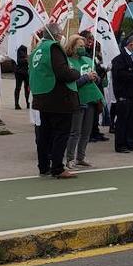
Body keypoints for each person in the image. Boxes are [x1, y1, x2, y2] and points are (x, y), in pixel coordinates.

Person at [29, 22, 82, 178]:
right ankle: (58, 168)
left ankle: (44, 166)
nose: (61, 36)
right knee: (60, 133)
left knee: (45, 134)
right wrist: (76, 73)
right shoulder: (53, 47)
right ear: (56, 35)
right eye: (60, 33)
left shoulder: (37, 49)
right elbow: (63, 73)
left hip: (42, 96)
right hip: (58, 98)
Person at [64, 33, 102, 169]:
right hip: (77, 100)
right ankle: (69, 159)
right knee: (75, 132)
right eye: (80, 46)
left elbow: (98, 81)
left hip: (90, 100)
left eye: (84, 46)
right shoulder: (68, 62)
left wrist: (96, 78)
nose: (83, 48)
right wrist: (86, 77)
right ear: (72, 47)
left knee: (86, 132)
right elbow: (72, 83)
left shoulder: (88, 60)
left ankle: (81, 157)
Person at [110, 34, 133, 153]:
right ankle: (120, 144)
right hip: (124, 93)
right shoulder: (119, 58)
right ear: (132, 45)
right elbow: (120, 74)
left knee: (132, 119)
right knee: (122, 120)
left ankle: (130, 142)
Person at [13, 44, 30, 109]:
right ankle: (17, 103)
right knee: (19, 88)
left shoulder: (27, 47)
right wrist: (26, 59)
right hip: (19, 71)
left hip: (24, 70)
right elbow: (17, 60)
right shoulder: (17, 48)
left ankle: (27, 103)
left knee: (26, 88)